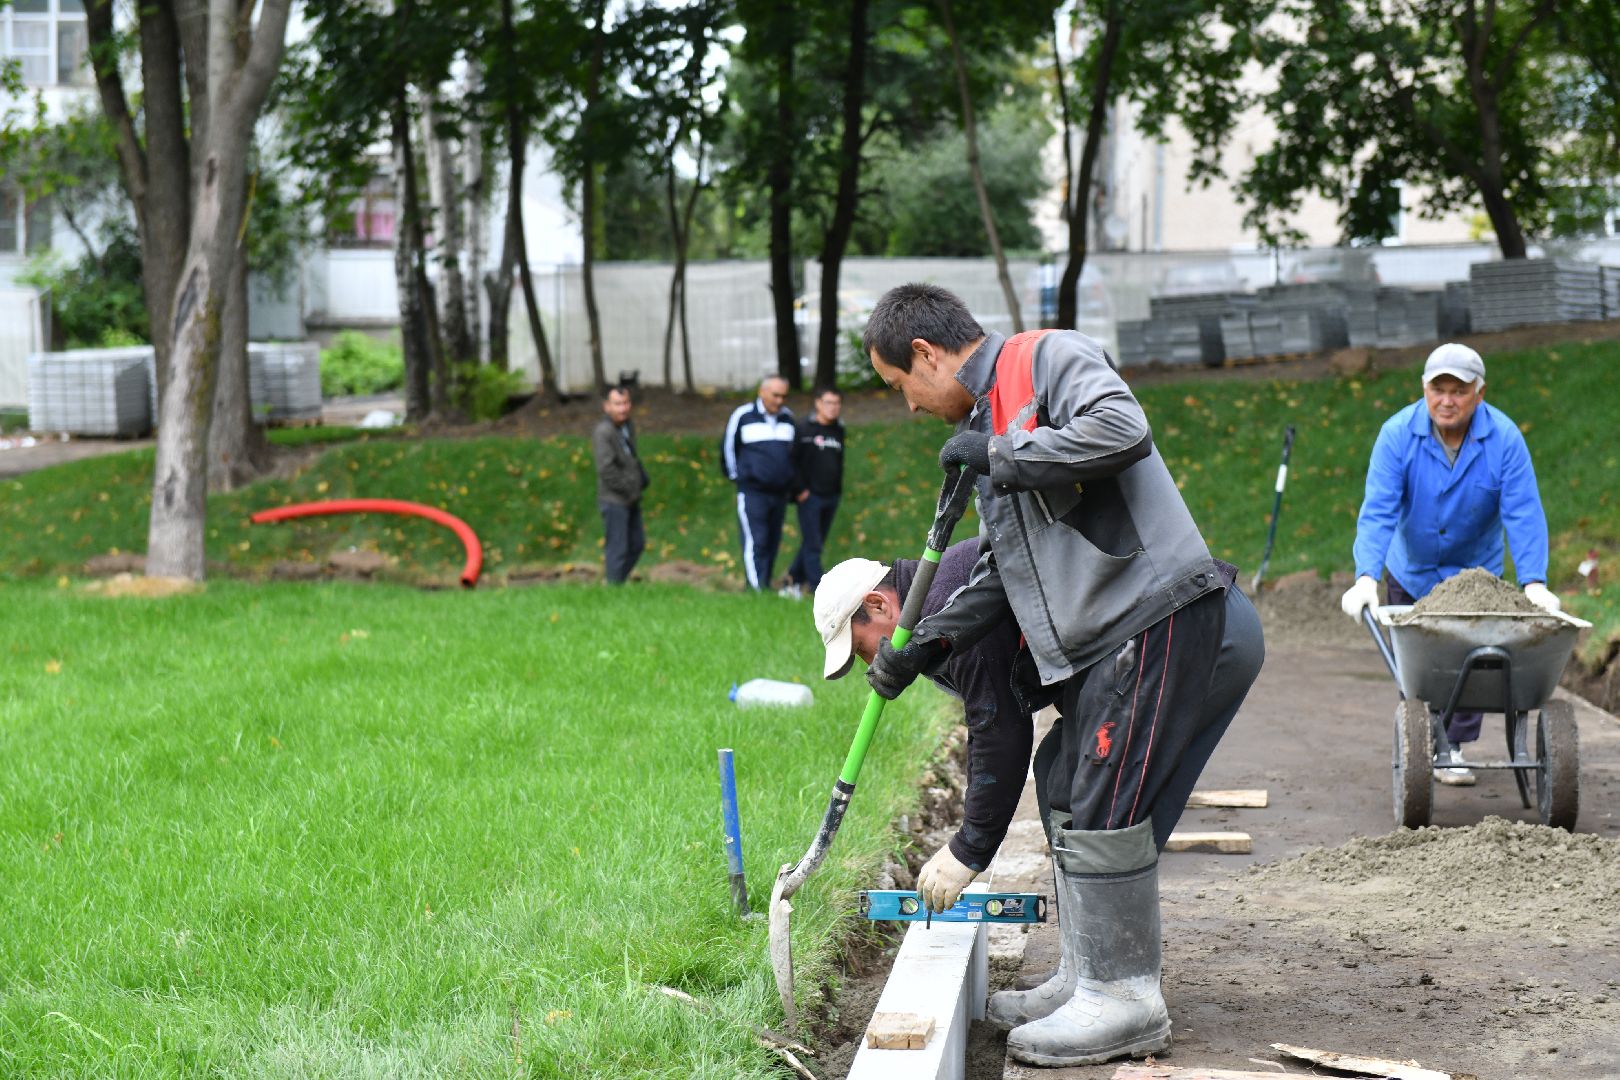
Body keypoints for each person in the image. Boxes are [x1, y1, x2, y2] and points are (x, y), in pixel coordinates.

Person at [857, 282, 1264, 1069]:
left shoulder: (1046, 358)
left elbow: (1122, 428)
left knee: (1105, 799)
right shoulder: (985, 424)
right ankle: (1087, 976)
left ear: (926, 354)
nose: (907, 405)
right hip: (1109, 634)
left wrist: (1001, 456)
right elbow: (1004, 573)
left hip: (1149, 611)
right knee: (1065, 777)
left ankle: (1125, 1000)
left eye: (899, 384)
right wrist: (927, 646)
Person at [1339, 342, 1559, 785]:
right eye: (1438, 389)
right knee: (1421, 672)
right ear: (1424, 389)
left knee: (1473, 664)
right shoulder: (1397, 435)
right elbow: (1378, 511)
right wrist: (1365, 576)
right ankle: (1427, 742)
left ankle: (1452, 744)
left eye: (1458, 391)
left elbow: (1523, 512)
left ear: (1479, 393)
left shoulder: (1504, 440)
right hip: (1412, 572)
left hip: (1475, 579)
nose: (1447, 400)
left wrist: (1534, 581)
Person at [722, 376, 800, 591]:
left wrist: (791, 482)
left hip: (780, 492)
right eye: (775, 395)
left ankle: (764, 583)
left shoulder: (788, 418)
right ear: (762, 392)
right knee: (756, 540)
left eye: (784, 396)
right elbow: (728, 448)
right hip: (752, 491)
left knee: (773, 540)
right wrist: (738, 477)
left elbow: (794, 454)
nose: (780, 400)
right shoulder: (743, 416)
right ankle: (756, 589)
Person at [786, 386, 846, 598]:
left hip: (831, 495)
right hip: (809, 496)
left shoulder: (838, 429)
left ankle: (792, 579)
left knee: (814, 541)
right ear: (818, 404)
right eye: (829, 403)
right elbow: (791, 461)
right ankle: (818, 590)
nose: (833, 408)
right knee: (813, 544)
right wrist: (799, 489)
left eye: (837, 403)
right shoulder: (804, 428)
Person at [591, 384, 649, 584]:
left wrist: (640, 479)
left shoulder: (627, 426)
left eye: (626, 403)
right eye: (617, 404)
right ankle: (612, 587)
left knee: (637, 543)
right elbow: (606, 470)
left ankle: (615, 583)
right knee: (618, 548)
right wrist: (629, 487)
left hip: (631, 497)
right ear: (607, 406)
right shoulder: (603, 432)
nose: (623, 408)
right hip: (614, 499)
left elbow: (630, 457)